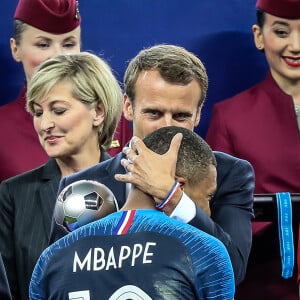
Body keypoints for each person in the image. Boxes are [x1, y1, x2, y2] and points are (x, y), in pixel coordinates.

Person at [50, 44, 255, 286]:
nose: (167, 126)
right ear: (128, 107)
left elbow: (233, 268)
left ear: (198, 114)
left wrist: (173, 198)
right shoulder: (82, 186)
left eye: (181, 116)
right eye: (154, 114)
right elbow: (60, 275)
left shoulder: (230, 174)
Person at [30, 126, 235, 300]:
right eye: (208, 197)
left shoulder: (52, 258)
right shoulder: (205, 251)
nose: (208, 210)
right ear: (179, 186)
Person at [0, 52, 122, 300]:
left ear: (98, 111)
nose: (45, 124)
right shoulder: (13, 195)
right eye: (37, 112)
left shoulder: (133, 186)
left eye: (58, 110)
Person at [205, 0, 300, 298]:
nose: (295, 46)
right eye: (282, 32)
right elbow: (213, 212)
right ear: (259, 36)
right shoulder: (231, 116)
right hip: (264, 283)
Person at [0, 0, 131, 182]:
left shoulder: (113, 115)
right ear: (15, 48)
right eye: (43, 45)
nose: (58, 56)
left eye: (68, 44)